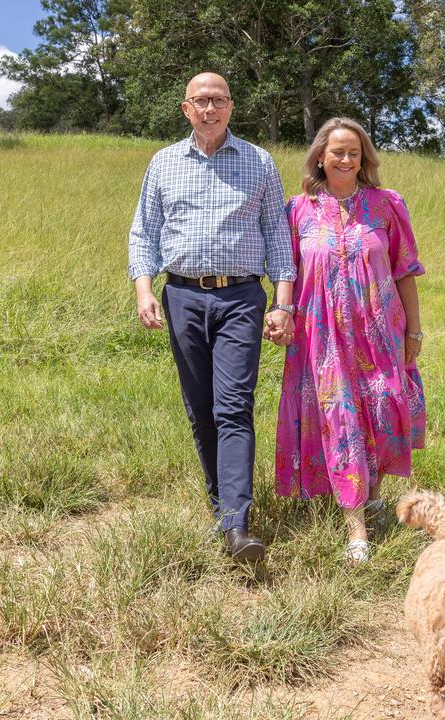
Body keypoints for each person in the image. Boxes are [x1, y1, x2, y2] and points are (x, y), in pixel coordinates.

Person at [128, 72, 296, 563]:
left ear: (231, 106)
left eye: (217, 100)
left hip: (242, 298)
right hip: (181, 297)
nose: (209, 109)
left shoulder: (258, 162)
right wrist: (144, 290)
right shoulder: (163, 164)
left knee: (233, 407)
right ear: (186, 109)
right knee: (200, 410)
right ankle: (220, 507)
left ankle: (238, 526)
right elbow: (144, 233)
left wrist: (282, 303)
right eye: (200, 101)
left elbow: (278, 237)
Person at [272, 117, 426, 564]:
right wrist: (281, 311)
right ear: (320, 156)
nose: (345, 158)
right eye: (337, 151)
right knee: (340, 421)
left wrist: (413, 330)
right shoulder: (297, 209)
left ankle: (373, 497)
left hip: (379, 331)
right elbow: (287, 272)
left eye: (354, 152)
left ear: (364, 159)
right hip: (321, 337)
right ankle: (355, 527)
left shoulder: (387, 205)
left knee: (380, 411)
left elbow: (405, 271)